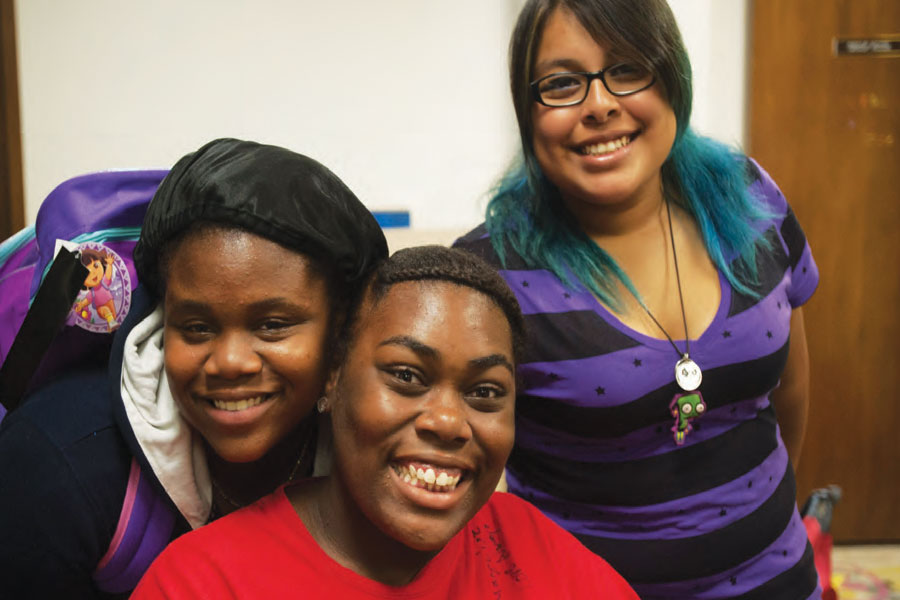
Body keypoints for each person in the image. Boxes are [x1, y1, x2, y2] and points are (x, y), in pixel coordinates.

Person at [453, 1, 821, 598]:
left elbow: (793, 392)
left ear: (672, 76)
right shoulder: (487, 276)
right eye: (563, 83)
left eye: (627, 69)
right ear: (528, 110)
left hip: (779, 579)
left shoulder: (752, 199)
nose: (599, 105)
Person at [132, 246, 639, 599]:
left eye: (485, 393)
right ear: (332, 378)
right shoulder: (203, 582)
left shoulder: (527, 545)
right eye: (406, 376)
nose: (447, 421)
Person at [0, 138, 388, 598]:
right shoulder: (61, 461)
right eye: (197, 328)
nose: (230, 363)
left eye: (272, 325)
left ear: (339, 338)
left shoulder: (377, 443)